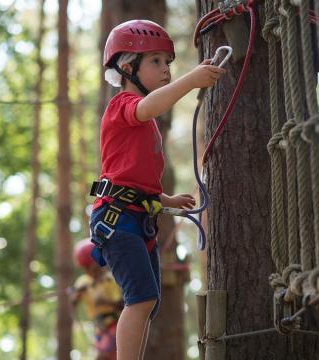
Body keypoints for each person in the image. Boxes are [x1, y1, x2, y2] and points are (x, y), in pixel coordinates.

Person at [88, 19, 225, 358]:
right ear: (127, 66)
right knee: (141, 298)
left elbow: (133, 179)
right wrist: (190, 80)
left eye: (168, 62)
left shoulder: (143, 123)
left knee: (149, 301)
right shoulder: (123, 106)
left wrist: (165, 199)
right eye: (155, 61)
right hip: (117, 220)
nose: (165, 69)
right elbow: (150, 105)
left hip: (135, 217)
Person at [71, 240, 124, 360]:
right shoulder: (83, 282)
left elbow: (122, 305)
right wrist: (77, 294)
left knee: (103, 356)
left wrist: (106, 302)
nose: (90, 272)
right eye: (86, 269)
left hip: (114, 324)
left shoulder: (109, 280)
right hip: (99, 328)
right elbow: (73, 302)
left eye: (92, 267)